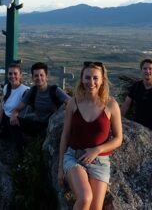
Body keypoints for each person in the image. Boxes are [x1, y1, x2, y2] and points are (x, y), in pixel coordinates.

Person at [58, 61, 123, 210]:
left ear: (102, 80)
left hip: (100, 162)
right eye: (87, 77)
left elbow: (119, 138)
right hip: (74, 157)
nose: (91, 82)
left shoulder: (111, 105)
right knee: (85, 197)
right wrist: (60, 168)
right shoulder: (73, 103)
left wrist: (97, 150)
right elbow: (65, 135)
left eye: (95, 78)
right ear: (82, 79)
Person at [10, 62, 70, 152]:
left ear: (46, 77)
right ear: (33, 78)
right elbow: (18, 108)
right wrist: (14, 115)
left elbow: (70, 102)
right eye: (36, 76)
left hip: (51, 127)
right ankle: (22, 152)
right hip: (37, 124)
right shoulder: (33, 91)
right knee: (13, 124)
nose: (39, 78)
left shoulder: (54, 90)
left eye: (41, 75)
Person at [120, 58, 152, 136]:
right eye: (145, 68)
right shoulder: (136, 86)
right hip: (136, 128)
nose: (147, 71)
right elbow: (126, 104)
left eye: (150, 69)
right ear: (141, 70)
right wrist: (118, 120)